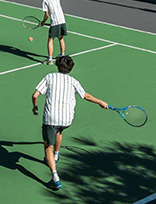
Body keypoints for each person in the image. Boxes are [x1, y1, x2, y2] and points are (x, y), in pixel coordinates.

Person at [31, 54, 108, 189]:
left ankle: (55, 178)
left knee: (47, 146)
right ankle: (56, 155)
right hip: (66, 120)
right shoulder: (73, 81)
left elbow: (35, 95)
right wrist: (100, 102)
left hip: (50, 119)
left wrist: (35, 106)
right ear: (70, 68)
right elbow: (85, 96)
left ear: (57, 66)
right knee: (59, 131)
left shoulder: (49, 77)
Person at [39, 0, 66, 65]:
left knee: (50, 39)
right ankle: (62, 56)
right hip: (62, 20)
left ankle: (50, 59)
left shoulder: (45, 0)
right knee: (61, 38)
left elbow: (47, 15)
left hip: (55, 22)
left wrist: (43, 22)